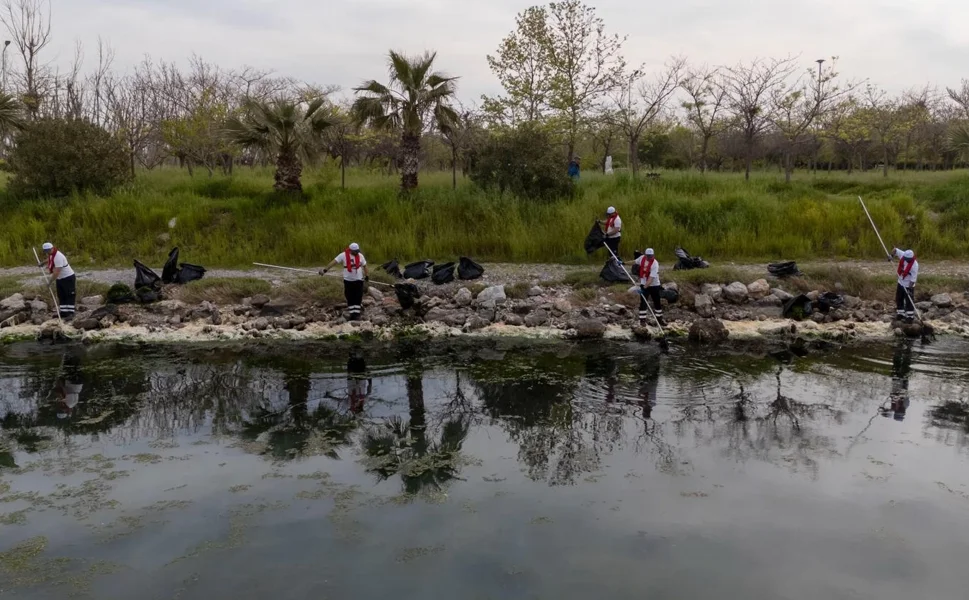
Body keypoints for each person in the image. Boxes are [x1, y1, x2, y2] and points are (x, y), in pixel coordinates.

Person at [320, 243, 369, 320]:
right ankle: (352, 313)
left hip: (359, 280)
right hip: (348, 280)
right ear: (350, 250)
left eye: (357, 251)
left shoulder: (360, 256)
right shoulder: (343, 255)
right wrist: (325, 270)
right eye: (355, 251)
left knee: (358, 297)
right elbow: (334, 262)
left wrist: (367, 275)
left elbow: (365, 266)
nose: (356, 253)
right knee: (349, 296)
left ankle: (357, 314)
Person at [40, 242, 76, 321]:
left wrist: (50, 282)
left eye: (48, 250)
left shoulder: (58, 256)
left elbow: (57, 272)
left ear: (52, 248)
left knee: (69, 295)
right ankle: (63, 312)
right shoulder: (52, 255)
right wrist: (43, 263)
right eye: (46, 251)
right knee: (61, 295)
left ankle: (71, 313)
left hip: (68, 277)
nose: (47, 252)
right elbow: (50, 259)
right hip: (60, 279)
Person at [634, 248, 664, 326]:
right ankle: (642, 320)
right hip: (644, 284)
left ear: (653, 255)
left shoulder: (655, 264)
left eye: (651, 256)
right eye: (648, 256)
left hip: (654, 285)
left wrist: (644, 288)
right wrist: (623, 263)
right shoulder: (642, 258)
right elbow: (634, 262)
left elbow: (651, 278)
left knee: (657, 301)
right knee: (643, 302)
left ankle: (659, 319)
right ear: (645, 255)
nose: (649, 257)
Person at [892, 248, 918, 323]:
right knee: (899, 298)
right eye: (906, 259)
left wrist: (909, 289)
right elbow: (895, 250)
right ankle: (901, 313)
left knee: (909, 300)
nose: (906, 260)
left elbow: (913, 280)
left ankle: (910, 316)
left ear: (911, 258)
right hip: (900, 281)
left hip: (909, 284)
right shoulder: (904, 255)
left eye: (908, 260)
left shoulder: (915, 265)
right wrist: (891, 256)